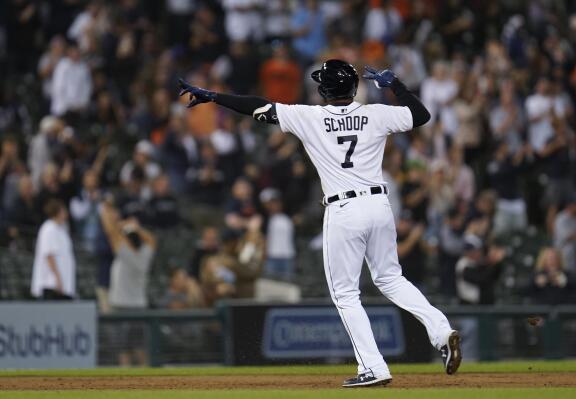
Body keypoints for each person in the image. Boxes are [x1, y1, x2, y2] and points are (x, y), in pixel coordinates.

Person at [178, 59, 461, 387]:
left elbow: (257, 107)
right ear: (354, 86)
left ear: (324, 89)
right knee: (390, 278)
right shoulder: (375, 113)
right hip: (379, 204)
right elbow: (421, 115)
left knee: (345, 293)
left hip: (344, 209)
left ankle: (374, 367)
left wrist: (214, 96)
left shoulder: (309, 116)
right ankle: (441, 332)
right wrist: (395, 85)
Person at [99, 201, 156, 366]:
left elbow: (111, 234)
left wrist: (110, 216)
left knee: (123, 349)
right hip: (139, 306)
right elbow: (152, 240)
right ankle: (146, 381)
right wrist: (136, 228)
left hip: (121, 307)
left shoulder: (125, 253)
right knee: (139, 348)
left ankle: (127, 381)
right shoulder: (145, 255)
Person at [31, 199, 76, 300]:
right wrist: (57, 278)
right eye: (63, 210)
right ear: (58, 212)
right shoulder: (48, 229)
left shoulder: (62, 228)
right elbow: (49, 254)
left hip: (63, 283)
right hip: (51, 284)